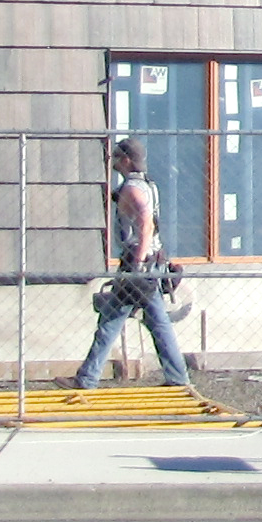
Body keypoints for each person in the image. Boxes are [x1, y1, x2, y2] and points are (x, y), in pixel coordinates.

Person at [77, 135, 192, 389]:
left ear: (127, 160)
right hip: (153, 263)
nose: (115, 162)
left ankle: (87, 378)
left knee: (112, 320)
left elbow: (146, 224)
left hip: (140, 265)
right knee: (155, 323)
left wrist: (138, 262)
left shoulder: (132, 189)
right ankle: (178, 377)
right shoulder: (148, 185)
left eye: (117, 157)